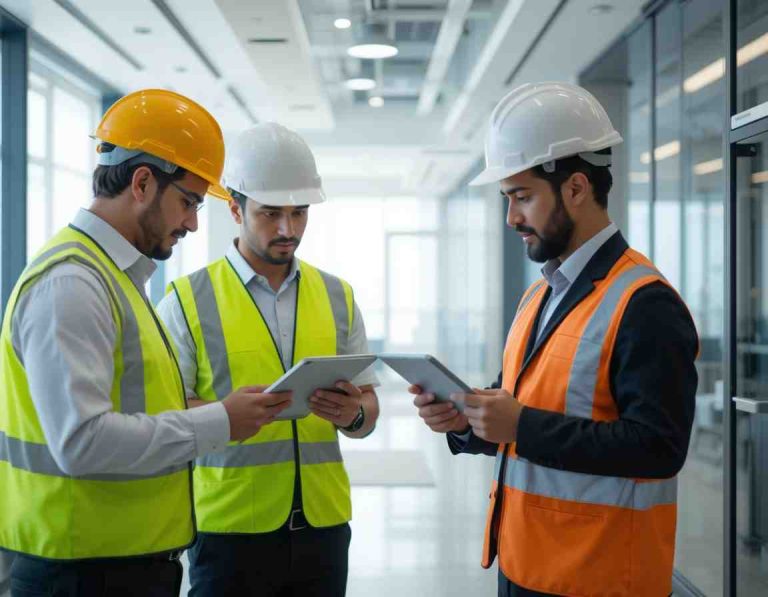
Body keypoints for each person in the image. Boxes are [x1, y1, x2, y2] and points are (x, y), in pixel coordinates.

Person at [0, 89, 292, 597]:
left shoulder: (115, 277)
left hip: (117, 565)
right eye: (188, 202)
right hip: (80, 572)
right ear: (141, 182)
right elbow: (81, 442)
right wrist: (219, 420)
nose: (193, 223)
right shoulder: (73, 283)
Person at [411, 82, 698, 597]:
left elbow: (658, 447)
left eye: (522, 197)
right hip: (526, 564)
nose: (511, 217)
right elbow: (516, 409)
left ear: (576, 189)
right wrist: (466, 423)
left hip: (601, 577)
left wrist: (520, 424)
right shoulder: (538, 297)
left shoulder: (645, 303)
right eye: (507, 198)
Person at [157, 121, 380, 597]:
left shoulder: (338, 296)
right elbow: (164, 416)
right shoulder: (186, 299)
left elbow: (367, 410)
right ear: (235, 209)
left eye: (300, 213)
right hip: (229, 532)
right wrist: (224, 415)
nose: (288, 229)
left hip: (324, 528)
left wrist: (355, 414)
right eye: (271, 213)